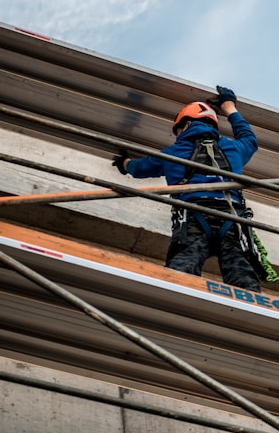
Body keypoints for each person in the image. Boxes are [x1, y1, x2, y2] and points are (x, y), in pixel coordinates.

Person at [111, 86, 264, 291]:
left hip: (193, 216)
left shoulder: (173, 152)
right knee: (241, 273)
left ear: (187, 124)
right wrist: (230, 107)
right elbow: (250, 140)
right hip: (233, 218)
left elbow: (140, 168)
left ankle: (175, 296)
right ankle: (251, 308)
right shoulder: (234, 148)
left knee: (183, 267)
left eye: (178, 130)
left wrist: (125, 163)